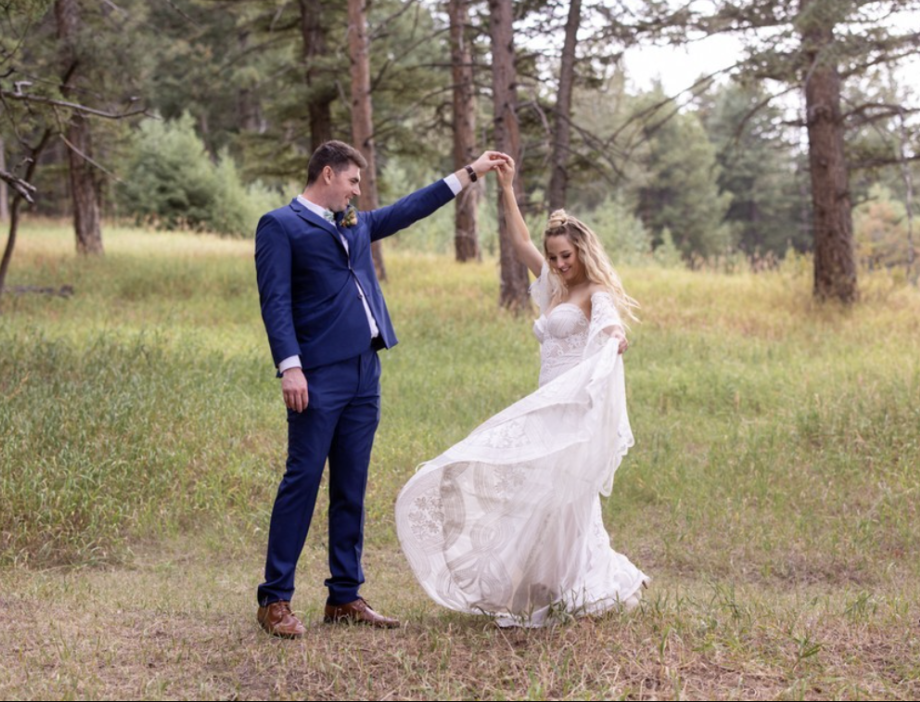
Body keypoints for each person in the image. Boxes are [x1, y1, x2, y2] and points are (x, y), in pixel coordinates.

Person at [254, 140, 510, 638]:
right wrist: (291, 367)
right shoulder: (279, 225)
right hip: (316, 375)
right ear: (327, 174)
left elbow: (410, 208)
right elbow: (275, 300)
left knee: (352, 486)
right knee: (302, 482)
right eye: (352, 181)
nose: (358, 191)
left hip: (365, 373)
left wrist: (470, 173)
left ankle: (344, 596)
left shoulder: (356, 222)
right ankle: (275, 600)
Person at [395, 158, 649, 627]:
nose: (557, 264)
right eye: (553, 257)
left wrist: (615, 338)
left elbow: (612, 324)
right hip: (544, 402)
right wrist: (507, 187)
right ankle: (544, 579)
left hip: (571, 406)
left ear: (582, 253)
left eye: (565, 257)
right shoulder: (551, 287)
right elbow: (520, 244)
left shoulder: (594, 291)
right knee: (538, 491)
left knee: (567, 494)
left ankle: (581, 580)